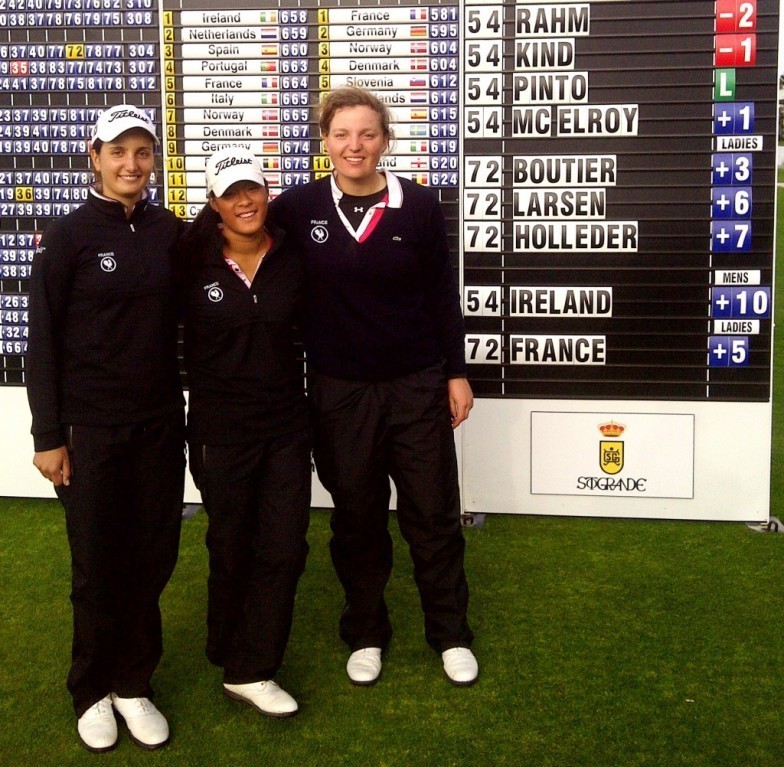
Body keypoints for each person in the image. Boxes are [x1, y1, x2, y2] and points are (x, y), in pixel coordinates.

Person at [269, 86, 478, 687]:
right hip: (338, 390)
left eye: (366, 133)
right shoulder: (298, 207)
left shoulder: (418, 206)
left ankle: (450, 633)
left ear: (385, 139)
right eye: (342, 134)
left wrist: (455, 372)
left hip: (415, 384)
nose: (354, 145)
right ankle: (365, 631)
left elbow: (442, 296)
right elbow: (234, 233)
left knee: (432, 515)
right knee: (356, 517)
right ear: (325, 141)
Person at [26, 104, 186, 752]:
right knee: (96, 564)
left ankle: (133, 681)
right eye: (117, 151)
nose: (130, 164)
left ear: (152, 160)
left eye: (141, 152)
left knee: (152, 558)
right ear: (94, 156)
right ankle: (90, 688)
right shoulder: (68, 235)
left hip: (157, 426)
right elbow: (43, 339)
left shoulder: (170, 232)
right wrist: (47, 435)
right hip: (89, 428)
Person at [173, 148, 311, 717]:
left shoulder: (295, 255)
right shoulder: (188, 261)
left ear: (265, 193)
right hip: (219, 432)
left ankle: (254, 668)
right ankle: (226, 648)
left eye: (251, 188)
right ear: (214, 204)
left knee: (283, 547)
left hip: (284, 428)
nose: (244, 201)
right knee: (230, 544)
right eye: (230, 194)